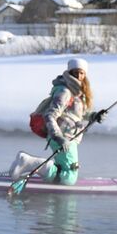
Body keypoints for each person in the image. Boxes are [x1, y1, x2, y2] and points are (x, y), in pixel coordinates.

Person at [7, 57, 106, 186]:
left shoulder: (77, 92)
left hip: (69, 137)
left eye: (82, 73)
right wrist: (58, 137)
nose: (79, 76)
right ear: (70, 72)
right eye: (76, 72)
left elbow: (77, 114)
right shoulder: (65, 91)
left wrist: (94, 115)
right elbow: (50, 115)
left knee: (67, 172)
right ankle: (28, 162)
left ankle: (34, 165)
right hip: (61, 136)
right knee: (69, 177)